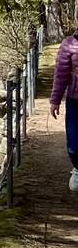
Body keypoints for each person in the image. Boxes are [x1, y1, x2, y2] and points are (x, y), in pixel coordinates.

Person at [50, 30, 78, 192]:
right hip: (75, 101)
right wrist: (55, 100)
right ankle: (77, 167)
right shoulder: (69, 43)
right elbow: (61, 74)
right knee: (74, 145)